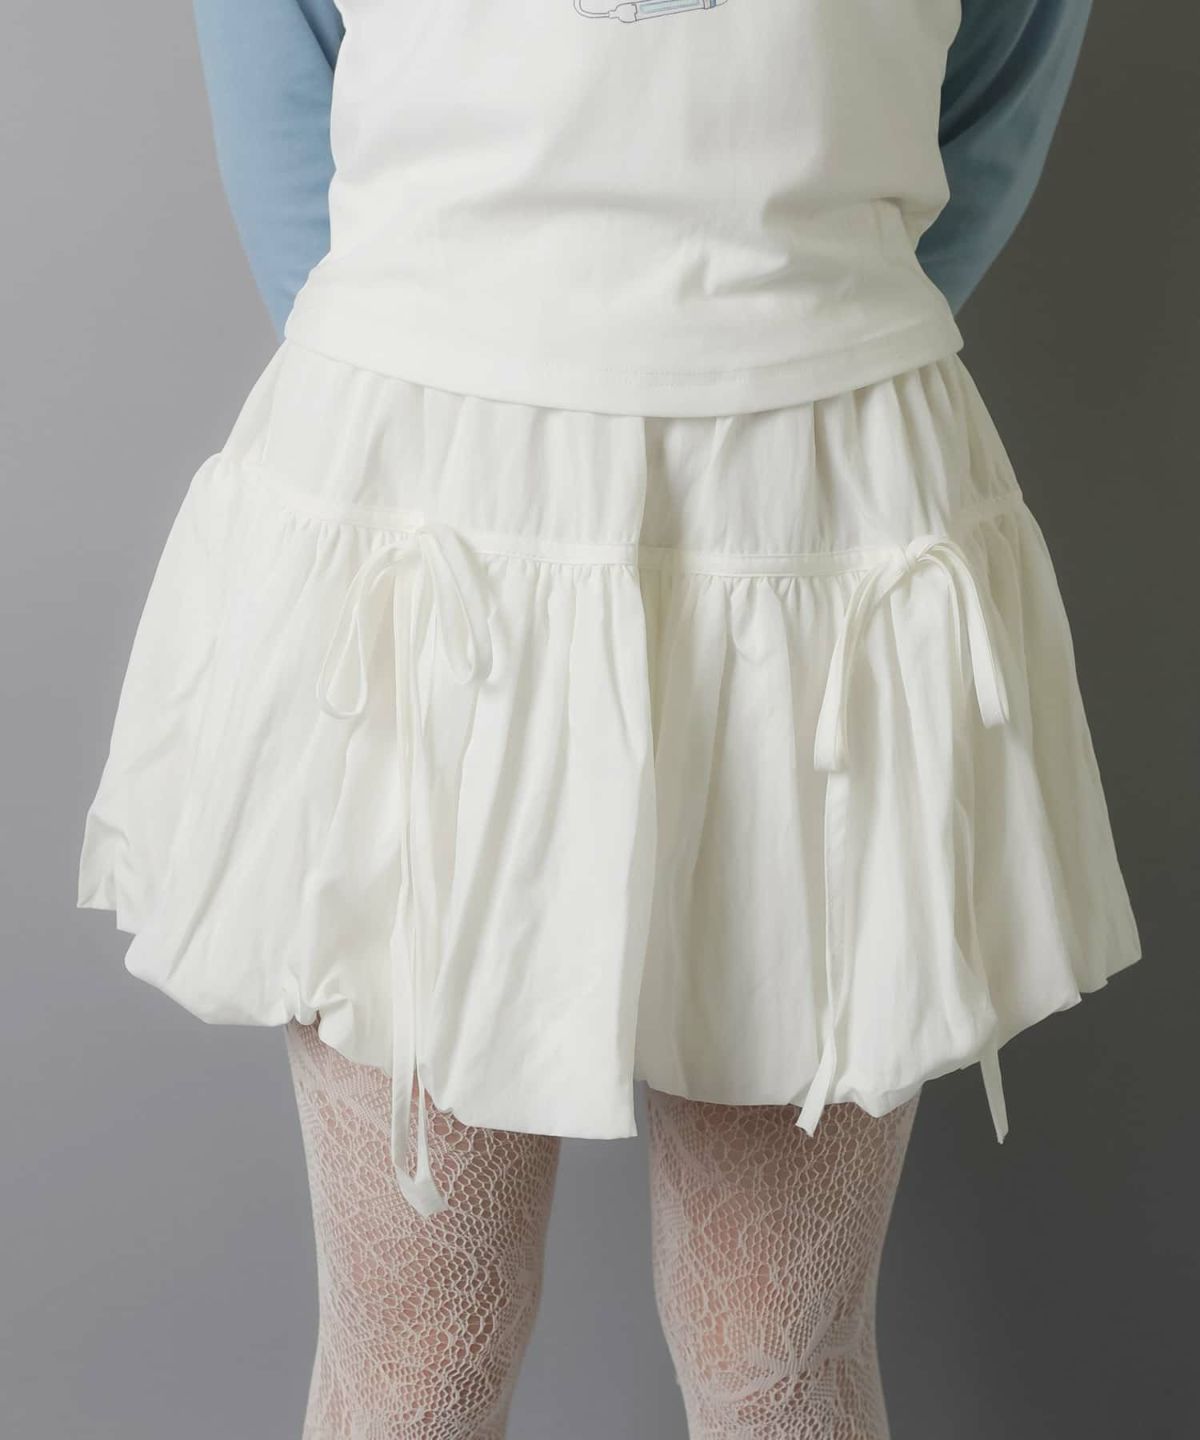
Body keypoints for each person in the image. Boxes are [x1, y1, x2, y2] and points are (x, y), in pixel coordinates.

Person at [79, 2, 1141, 1435]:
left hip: (815, 525)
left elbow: (992, 92)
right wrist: (465, 371)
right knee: (421, 1358)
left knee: (780, 1357)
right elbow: (282, 101)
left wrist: (777, 332)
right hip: (435, 529)